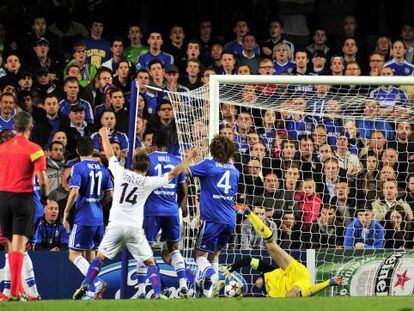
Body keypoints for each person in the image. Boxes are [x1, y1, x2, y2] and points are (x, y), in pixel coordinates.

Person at [74, 127, 197, 300]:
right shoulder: (147, 182)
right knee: (150, 262)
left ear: (131, 165)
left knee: (99, 258)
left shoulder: (121, 173)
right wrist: (188, 159)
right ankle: (158, 293)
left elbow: (110, 155)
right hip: (134, 228)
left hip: (115, 226)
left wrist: (103, 135)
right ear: (147, 169)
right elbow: (172, 174)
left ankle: (87, 284)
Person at [224, 205, 342, 297]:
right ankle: (329, 282)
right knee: (291, 297)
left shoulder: (267, 271)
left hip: (292, 272)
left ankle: (249, 213)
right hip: (297, 279)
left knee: (269, 245)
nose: (257, 282)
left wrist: (231, 268)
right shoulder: (270, 293)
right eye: (257, 282)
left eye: (257, 280)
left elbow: (248, 260)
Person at [0, 111, 49, 301]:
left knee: (10, 245)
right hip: (23, 199)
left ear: (14, 127)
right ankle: (14, 291)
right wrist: (44, 198)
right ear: (30, 127)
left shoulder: (2, 148)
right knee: (20, 246)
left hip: (3, 198)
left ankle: (15, 291)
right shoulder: (35, 149)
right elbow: (42, 180)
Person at [136, 129, 189, 298]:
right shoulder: (177, 160)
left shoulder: (148, 159)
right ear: (169, 144)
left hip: (152, 210)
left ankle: (142, 290)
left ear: (152, 143)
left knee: (145, 249)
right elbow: (183, 190)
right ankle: (183, 286)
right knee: (173, 249)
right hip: (172, 210)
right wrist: (179, 206)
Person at [186, 134, 239, 298]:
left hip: (212, 220)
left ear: (213, 150)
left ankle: (214, 277)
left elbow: (186, 172)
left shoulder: (208, 165)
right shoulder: (235, 171)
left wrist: (188, 159)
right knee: (214, 254)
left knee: (199, 255)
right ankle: (209, 294)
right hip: (230, 220)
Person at [63, 136, 113, 300]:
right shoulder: (103, 169)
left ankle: (97, 282)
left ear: (77, 151)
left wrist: (66, 211)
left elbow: (75, 191)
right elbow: (109, 196)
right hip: (98, 217)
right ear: (93, 151)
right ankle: (92, 290)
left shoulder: (77, 167)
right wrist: (98, 204)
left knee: (73, 254)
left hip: (84, 216)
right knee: (91, 253)